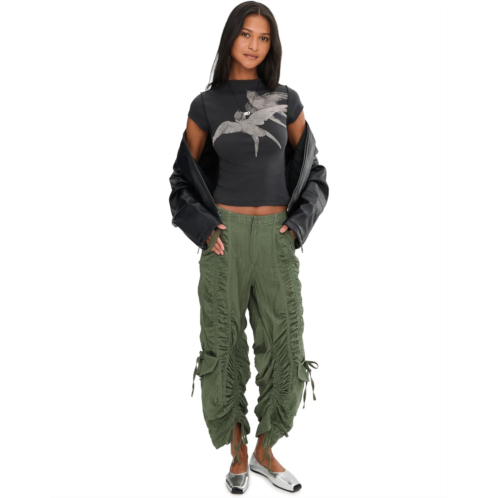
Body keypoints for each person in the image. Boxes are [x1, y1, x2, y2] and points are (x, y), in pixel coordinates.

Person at [169, 1, 328, 493]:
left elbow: (315, 172)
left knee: (286, 346)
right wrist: (205, 230)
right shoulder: (206, 104)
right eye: (246, 34)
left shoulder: (285, 99)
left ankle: (265, 449)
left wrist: (297, 226)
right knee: (223, 344)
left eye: (264, 38)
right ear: (230, 39)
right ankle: (237, 448)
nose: (254, 45)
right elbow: (181, 181)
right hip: (226, 239)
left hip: (277, 237)